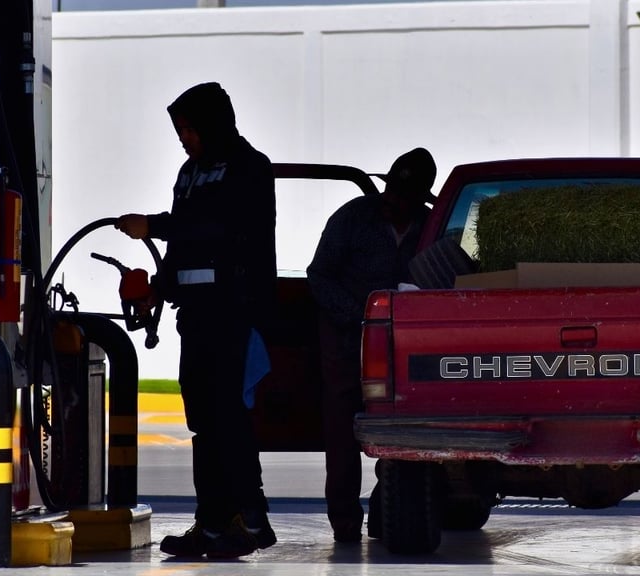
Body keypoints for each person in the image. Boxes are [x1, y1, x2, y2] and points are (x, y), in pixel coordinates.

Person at [115, 81, 277, 559]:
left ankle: (252, 518)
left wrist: (154, 223)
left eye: (188, 128)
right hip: (198, 320)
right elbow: (181, 249)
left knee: (231, 419)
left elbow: (223, 228)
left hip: (235, 314)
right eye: (179, 129)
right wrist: (157, 292)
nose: (183, 138)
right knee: (204, 425)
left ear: (212, 124)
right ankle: (211, 525)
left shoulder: (251, 168)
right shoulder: (189, 174)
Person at [306, 147, 437, 543]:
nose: (392, 202)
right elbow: (319, 276)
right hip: (346, 345)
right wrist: (357, 316)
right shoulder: (351, 218)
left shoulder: (431, 228)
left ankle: (387, 508)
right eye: (391, 192)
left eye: (403, 197)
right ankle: (344, 522)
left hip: (404, 353)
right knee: (342, 435)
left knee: (402, 436)